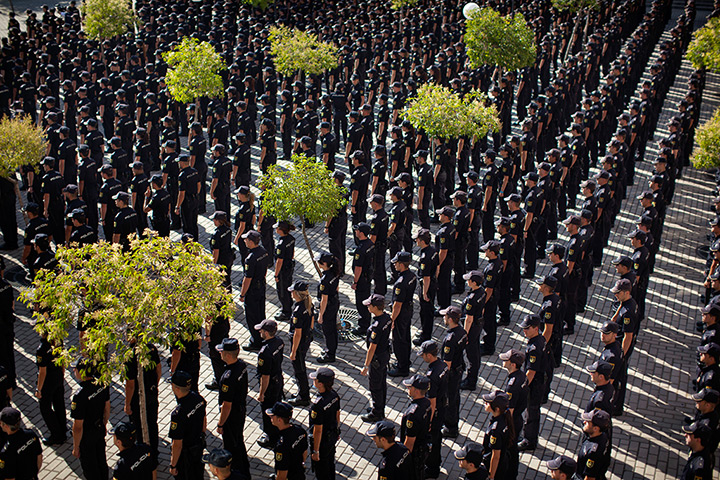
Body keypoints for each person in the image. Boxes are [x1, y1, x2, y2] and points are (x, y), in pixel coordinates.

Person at [215, 338, 250, 479]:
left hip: (232, 415)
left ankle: (238, 473)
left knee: (231, 447)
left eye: (222, 352)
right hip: (240, 410)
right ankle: (244, 469)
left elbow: (226, 405)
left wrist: (220, 423)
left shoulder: (228, 378)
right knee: (239, 442)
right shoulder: (241, 365)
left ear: (228, 355)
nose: (220, 354)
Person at [70, 358, 110, 480]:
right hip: (99, 428)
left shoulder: (79, 396)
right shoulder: (101, 383)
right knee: (101, 461)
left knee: (90, 468)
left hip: (86, 436)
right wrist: (103, 423)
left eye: (75, 368)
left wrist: (76, 447)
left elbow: (77, 427)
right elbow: (107, 408)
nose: (73, 370)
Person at [124, 341, 161, 461]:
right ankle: (154, 450)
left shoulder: (130, 354)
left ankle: (144, 455)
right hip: (151, 392)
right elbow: (158, 369)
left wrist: (127, 404)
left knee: (139, 427)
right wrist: (154, 385)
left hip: (138, 398)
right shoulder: (151, 348)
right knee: (152, 423)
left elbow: (130, 384)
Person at [168, 370, 207, 480]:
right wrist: (203, 434)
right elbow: (204, 417)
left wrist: (173, 465)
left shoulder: (178, 414)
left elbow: (177, 444)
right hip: (198, 447)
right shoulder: (198, 399)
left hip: (185, 456)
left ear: (177, 388)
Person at [360, 294, 392, 422]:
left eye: (369, 305)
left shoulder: (376, 327)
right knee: (382, 383)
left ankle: (377, 412)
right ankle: (380, 407)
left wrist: (366, 365)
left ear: (375, 307)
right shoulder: (387, 318)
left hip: (377, 359)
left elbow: (371, 348)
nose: (367, 307)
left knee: (375, 386)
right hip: (384, 355)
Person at [610, 278, 639, 415]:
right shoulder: (627, 302)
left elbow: (628, 335)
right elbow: (621, 305)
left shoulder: (628, 312)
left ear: (626, 292)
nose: (616, 295)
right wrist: (615, 317)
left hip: (623, 345)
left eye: (618, 292)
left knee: (619, 377)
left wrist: (622, 354)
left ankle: (616, 406)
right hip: (620, 343)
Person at [418, 340, 447, 479]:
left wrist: (428, 421)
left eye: (423, 355)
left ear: (429, 355)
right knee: (438, 438)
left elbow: (432, 402)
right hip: (443, 405)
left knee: (433, 440)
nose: (422, 357)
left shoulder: (432, 375)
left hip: (436, 411)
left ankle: (432, 469)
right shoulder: (442, 365)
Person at [518, 314, 546, 452]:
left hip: (536, 384)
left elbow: (532, 371)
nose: (524, 331)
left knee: (532, 412)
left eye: (527, 328)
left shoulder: (534, 347)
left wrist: (523, 387)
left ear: (536, 328)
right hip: (540, 381)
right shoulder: (539, 339)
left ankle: (529, 440)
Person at [256, 319, 285, 448]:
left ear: (266, 333)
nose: (260, 332)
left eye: (261, 330)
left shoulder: (264, 352)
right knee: (277, 406)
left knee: (268, 410)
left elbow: (265, 376)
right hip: (278, 379)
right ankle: (279, 430)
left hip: (270, 385)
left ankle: (271, 437)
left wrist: (262, 393)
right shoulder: (279, 341)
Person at [239, 230, 270, 351]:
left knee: (252, 316)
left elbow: (247, 279)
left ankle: (256, 341)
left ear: (251, 242)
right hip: (261, 285)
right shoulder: (263, 251)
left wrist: (242, 294)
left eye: (246, 239)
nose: (245, 241)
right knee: (260, 312)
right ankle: (264, 334)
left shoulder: (250, 258)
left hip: (252, 290)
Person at [308, 367, 341, 480]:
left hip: (322, 441)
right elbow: (337, 415)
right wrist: (336, 431)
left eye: (315, 379)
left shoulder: (318, 405)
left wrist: (316, 451)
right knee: (330, 464)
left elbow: (318, 430)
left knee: (322, 471)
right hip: (331, 436)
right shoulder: (334, 395)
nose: (313, 381)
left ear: (320, 384)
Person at [35, 331, 66, 446]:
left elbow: (42, 372)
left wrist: (39, 389)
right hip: (58, 376)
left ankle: (57, 435)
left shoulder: (41, 349)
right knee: (59, 404)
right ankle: (63, 429)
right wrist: (62, 374)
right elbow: (62, 359)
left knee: (45, 408)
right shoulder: (58, 341)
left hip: (48, 381)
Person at [440, 305, 467, 438]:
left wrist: (441, 378)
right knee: (455, 398)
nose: (443, 318)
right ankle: (453, 423)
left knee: (449, 399)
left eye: (445, 316)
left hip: (452, 373)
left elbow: (447, 363)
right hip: (459, 369)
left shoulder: (450, 339)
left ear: (450, 319)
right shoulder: (462, 331)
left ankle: (450, 427)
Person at [389, 251, 417, 377]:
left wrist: (392, 320)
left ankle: (402, 367)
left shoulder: (401, 282)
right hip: (408, 310)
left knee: (399, 340)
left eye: (396, 262)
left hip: (401, 313)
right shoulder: (412, 275)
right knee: (405, 337)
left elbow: (397, 304)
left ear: (402, 264)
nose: (394, 264)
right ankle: (405, 361)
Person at [400, 374, 432, 480]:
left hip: (415, 453)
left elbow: (409, 442)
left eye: (410, 387)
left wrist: (402, 459)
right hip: (423, 447)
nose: (408, 388)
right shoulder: (427, 403)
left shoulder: (412, 414)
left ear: (417, 391)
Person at [288, 281, 314, 407]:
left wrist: (293, 352)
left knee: (299, 370)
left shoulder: (298, 310)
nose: (291, 293)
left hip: (299, 343)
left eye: (293, 291)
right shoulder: (308, 303)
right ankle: (302, 393)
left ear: (297, 294)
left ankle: (303, 396)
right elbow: (312, 320)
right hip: (306, 339)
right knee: (301, 366)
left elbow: (297, 334)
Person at [481, 390, 517, 480]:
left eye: (489, 403)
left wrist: (491, 476)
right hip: (504, 461)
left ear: (497, 409)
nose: (486, 403)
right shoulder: (505, 418)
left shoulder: (495, 430)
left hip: (496, 467)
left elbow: (495, 456)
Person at [267, 401, 308, 480]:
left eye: (272, 416)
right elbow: (304, 451)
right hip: (299, 473)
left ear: (279, 420)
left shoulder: (281, 446)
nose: (271, 418)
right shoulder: (300, 431)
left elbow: (282, 475)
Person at [0, 407, 43, 480]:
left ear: (6, 426)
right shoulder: (31, 434)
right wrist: (33, 475)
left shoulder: (7, 451)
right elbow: (39, 457)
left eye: (0, 423)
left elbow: (10, 478)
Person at [461, 270, 486, 391]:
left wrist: (465, 334)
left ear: (474, 282)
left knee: (471, 355)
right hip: (478, 324)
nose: (467, 282)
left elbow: (468, 319)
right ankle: (473, 376)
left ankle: (471, 381)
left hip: (472, 328)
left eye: (469, 280)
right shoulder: (482, 292)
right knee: (475, 352)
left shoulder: (472, 298)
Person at [414, 228, 438, 345]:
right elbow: (437, 268)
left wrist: (424, 293)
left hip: (427, 285)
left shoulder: (425, 257)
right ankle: (425, 331)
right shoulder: (433, 250)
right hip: (432, 283)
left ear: (422, 241)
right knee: (427, 311)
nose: (416, 241)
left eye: (417, 239)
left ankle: (425, 336)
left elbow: (426, 277)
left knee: (426, 312)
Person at [316, 253, 340, 363]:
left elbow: (324, 300)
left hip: (328, 306)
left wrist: (320, 315)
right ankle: (332, 349)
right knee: (333, 329)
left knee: (328, 331)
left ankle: (330, 354)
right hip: (335, 302)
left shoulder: (324, 280)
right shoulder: (334, 272)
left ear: (324, 264)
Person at [351, 223, 375, 334]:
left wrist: (355, 282)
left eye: (357, 230)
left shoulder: (360, 249)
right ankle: (367, 321)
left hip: (362, 279)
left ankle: (363, 326)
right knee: (366, 297)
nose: (355, 232)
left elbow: (358, 268)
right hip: (368, 276)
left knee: (361, 303)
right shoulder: (370, 243)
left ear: (361, 233)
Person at [499, 349, 527, 439]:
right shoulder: (522, 375)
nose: (503, 360)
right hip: (518, 417)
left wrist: (506, 426)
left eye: (506, 360)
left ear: (513, 365)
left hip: (513, 421)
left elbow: (510, 409)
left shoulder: (512, 385)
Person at [577, 410, 611, 480]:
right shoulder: (604, 433)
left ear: (595, 428)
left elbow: (590, 477)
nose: (584, 422)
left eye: (588, 422)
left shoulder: (593, 452)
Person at [274, 221, 296, 322]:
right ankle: (289, 304)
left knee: (282, 291)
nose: (275, 230)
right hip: (289, 266)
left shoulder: (281, 244)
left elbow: (279, 261)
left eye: (277, 228)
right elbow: (292, 252)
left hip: (283, 270)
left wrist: (276, 274)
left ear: (281, 230)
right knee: (287, 286)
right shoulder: (290, 238)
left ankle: (286, 312)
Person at [210, 212, 235, 290]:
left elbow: (216, 251)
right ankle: (229, 292)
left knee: (221, 280)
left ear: (218, 221)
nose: (213, 221)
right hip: (228, 257)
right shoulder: (228, 229)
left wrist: (214, 265)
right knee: (227, 277)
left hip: (221, 259)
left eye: (214, 219)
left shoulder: (216, 234)